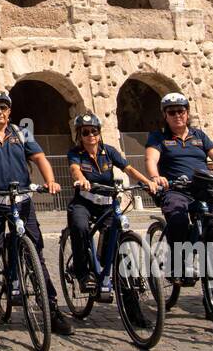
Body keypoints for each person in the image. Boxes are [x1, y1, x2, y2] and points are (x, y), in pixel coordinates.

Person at [0, 90, 72, 340]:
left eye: (3, 107)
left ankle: (51, 308)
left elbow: (39, 157)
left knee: (36, 254)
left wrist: (51, 181)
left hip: (22, 200)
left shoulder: (22, 133)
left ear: (9, 111)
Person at [143, 92, 213, 282]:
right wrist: (155, 176)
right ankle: (177, 263)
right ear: (165, 115)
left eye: (181, 111)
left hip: (202, 188)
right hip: (176, 188)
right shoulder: (158, 137)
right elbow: (151, 158)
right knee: (178, 220)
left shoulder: (199, 135)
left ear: (187, 113)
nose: (177, 115)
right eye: (172, 112)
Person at [66, 112, 153, 297]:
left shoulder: (109, 151)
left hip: (107, 203)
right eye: (86, 132)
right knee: (80, 227)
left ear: (99, 133)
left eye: (94, 131)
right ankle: (83, 273)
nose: (91, 136)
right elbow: (75, 169)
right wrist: (81, 179)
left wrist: (147, 183)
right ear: (79, 135)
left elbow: (128, 168)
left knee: (116, 236)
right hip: (84, 202)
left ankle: (114, 275)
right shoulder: (75, 153)